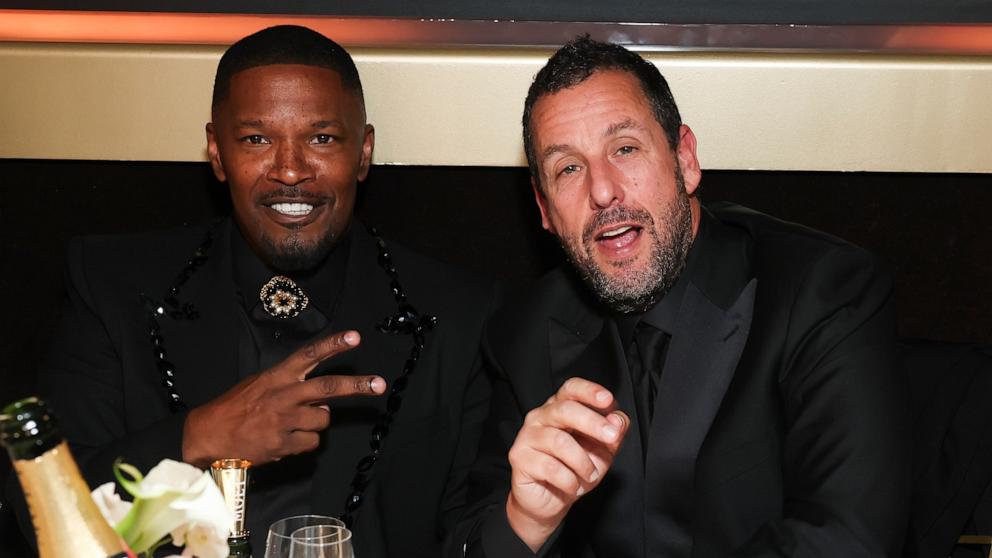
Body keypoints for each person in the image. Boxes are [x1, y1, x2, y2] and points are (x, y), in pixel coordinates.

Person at [6, 25, 498, 557]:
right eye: (257, 139)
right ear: (217, 152)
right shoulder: (113, 283)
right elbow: (38, 510)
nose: (290, 170)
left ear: (364, 151)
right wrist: (197, 437)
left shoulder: (455, 310)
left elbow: (466, 532)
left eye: (322, 138)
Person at [451, 36, 910, 557]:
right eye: (568, 169)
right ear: (544, 209)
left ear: (685, 159)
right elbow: (469, 541)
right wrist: (523, 520)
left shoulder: (823, 292)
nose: (602, 191)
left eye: (624, 149)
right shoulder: (525, 333)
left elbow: (850, 541)